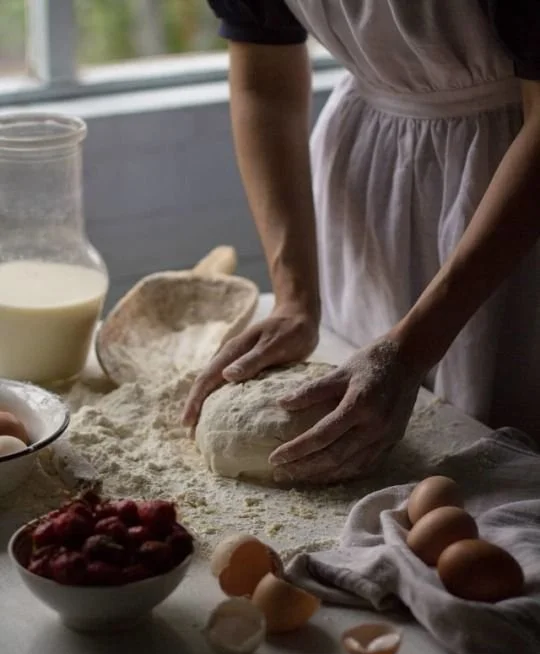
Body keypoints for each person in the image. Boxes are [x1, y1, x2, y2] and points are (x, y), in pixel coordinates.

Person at [182, 1, 540, 484]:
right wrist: (294, 299)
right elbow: (264, 78)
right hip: (371, 166)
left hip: (510, 192)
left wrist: (410, 349)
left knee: (501, 461)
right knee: (365, 412)